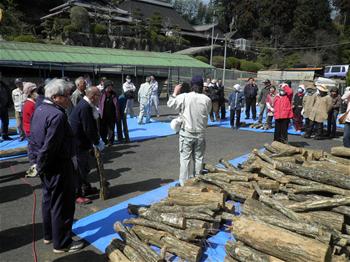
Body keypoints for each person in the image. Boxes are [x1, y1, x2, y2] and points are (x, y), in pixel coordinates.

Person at [28, 78, 84, 253]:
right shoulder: (57, 115)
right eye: (66, 95)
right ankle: (62, 243)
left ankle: (49, 235)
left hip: (44, 165)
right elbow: (50, 147)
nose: (69, 98)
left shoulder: (41, 108)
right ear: (55, 97)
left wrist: (35, 164)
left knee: (48, 201)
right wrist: (42, 165)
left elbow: (33, 140)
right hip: (57, 166)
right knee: (63, 204)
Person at [167, 76, 212, 186]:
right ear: (202, 86)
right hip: (200, 132)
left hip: (187, 132)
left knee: (185, 159)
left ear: (192, 86)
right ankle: (197, 180)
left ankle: (184, 184)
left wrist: (175, 92)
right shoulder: (207, 99)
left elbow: (170, 104)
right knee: (198, 158)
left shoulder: (184, 96)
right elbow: (208, 112)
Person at [69, 86, 105, 205]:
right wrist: (96, 142)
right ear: (93, 96)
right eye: (98, 96)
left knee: (85, 168)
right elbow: (88, 128)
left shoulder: (87, 105)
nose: (100, 98)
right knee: (79, 169)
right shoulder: (84, 107)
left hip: (82, 142)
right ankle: (77, 194)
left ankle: (85, 187)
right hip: (78, 143)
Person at [99, 80, 120, 146]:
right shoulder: (101, 93)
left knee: (111, 129)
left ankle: (111, 141)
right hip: (103, 115)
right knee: (103, 129)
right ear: (106, 86)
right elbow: (99, 103)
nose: (110, 88)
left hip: (112, 115)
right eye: (109, 86)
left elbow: (116, 104)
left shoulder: (114, 94)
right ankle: (105, 140)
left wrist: (117, 114)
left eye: (111, 86)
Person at [0, 74, 12, 140]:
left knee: (5, 122)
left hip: (4, 107)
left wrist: (9, 103)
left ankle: (4, 135)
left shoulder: (4, 85)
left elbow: (8, 94)